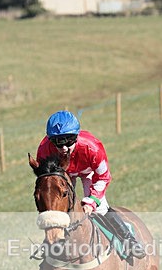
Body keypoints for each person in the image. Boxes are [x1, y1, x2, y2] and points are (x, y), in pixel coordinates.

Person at [36, 109, 146, 258]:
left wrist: (92, 201)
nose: (64, 148)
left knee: (100, 208)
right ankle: (52, 245)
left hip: (90, 172)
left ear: (77, 136)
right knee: (62, 207)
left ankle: (128, 240)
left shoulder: (93, 148)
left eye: (69, 140)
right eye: (57, 142)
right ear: (50, 140)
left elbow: (104, 177)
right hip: (64, 174)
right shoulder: (44, 150)